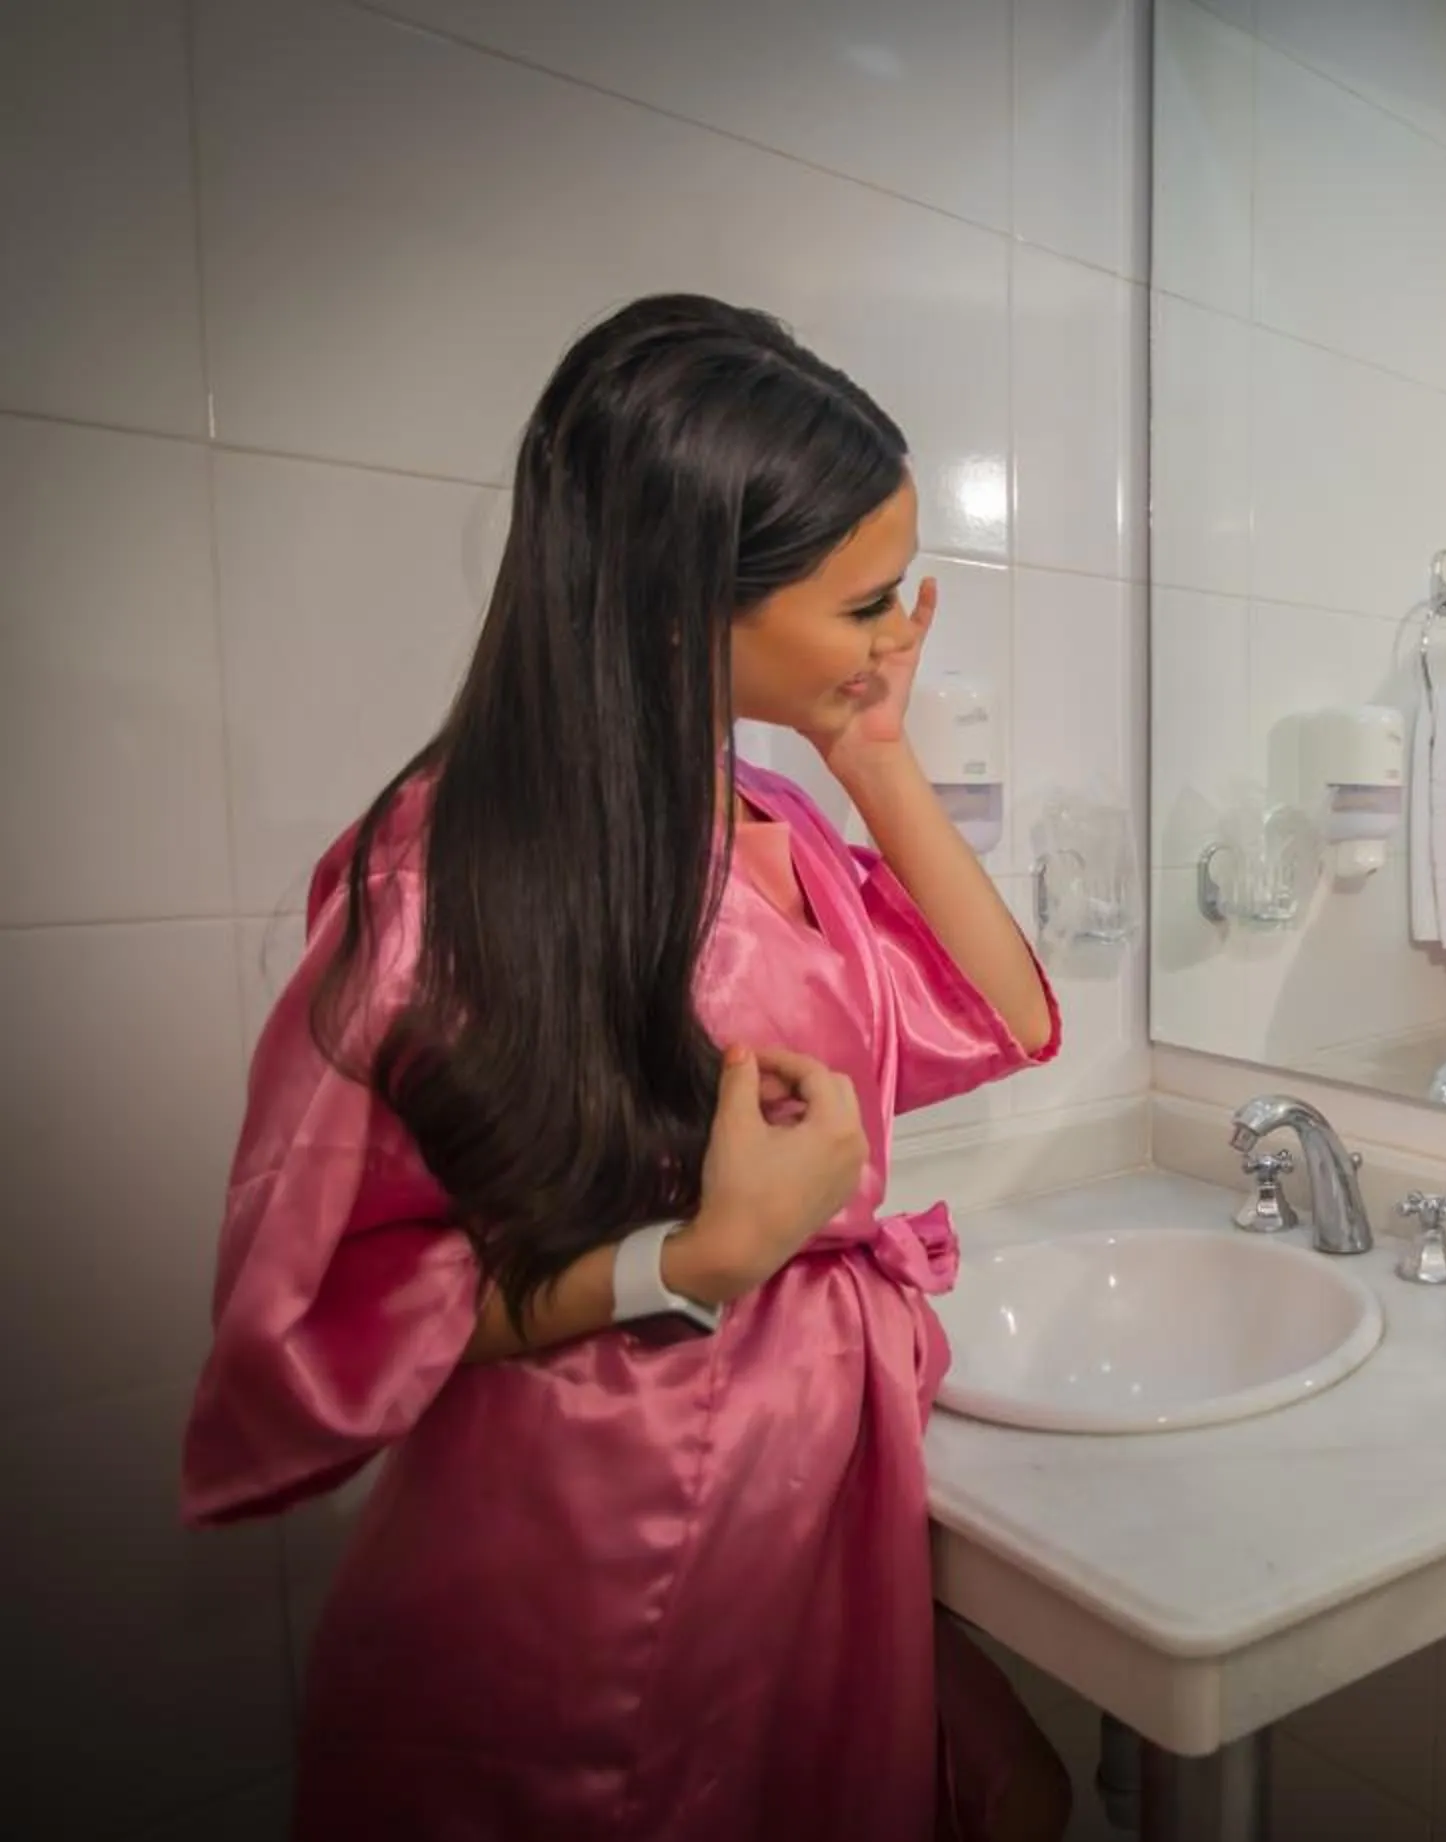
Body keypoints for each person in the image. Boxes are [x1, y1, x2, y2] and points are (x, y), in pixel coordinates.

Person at [180, 295, 1071, 1842]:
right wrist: (698, 1254)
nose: (896, 637)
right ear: (681, 603)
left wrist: (873, 752)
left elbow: (1009, 1017)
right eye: (864, 607)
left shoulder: (772, 826)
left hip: (804, 1524)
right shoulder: (453, 885)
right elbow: (323, 1314)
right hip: (601, 1549)